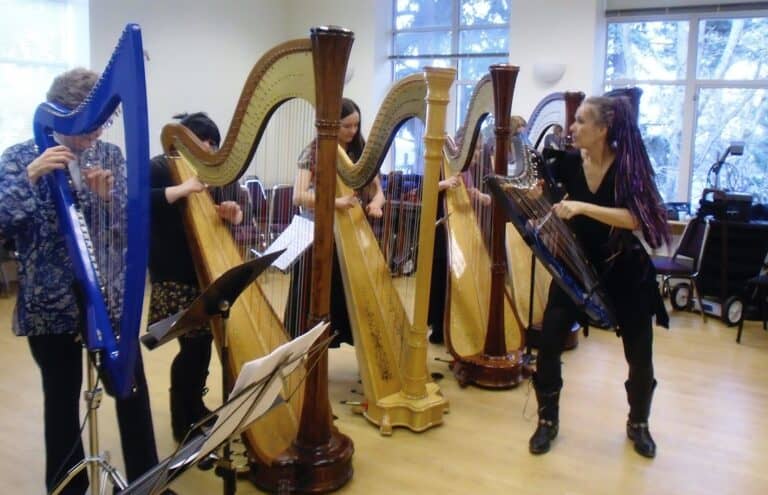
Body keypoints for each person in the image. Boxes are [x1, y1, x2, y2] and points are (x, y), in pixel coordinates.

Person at [0, 68, 171, 494]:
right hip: (50, 302)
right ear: (60, 117)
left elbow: (124, 230)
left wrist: (108, 200)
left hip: (109, 298)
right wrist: (32, 177)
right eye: (87, 126)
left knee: (130, 389)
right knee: (61, 401)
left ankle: (145, 480)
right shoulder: (20, 158)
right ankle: (66, 487)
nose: (94, 135)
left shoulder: (109, 156)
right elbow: (4, 223)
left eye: (99, 125)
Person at [528, 95, 669, 458]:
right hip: (576, 267)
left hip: (624, 269)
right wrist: (539, 212)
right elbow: (549, 202)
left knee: (639, 353)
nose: (571, 128)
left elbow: (636, 219)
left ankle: (638, 424)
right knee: (549, 339)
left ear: (603, 129)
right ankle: (547, 421)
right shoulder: (568, 164)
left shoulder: (628, 167)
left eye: (580, 121)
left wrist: (582, 206)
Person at [148, 112, 243, 443]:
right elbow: (142, 203)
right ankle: (181, 418)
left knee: (202, 345)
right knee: (191, 346)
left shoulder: (207, 174)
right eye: (205, 141)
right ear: (186, 139)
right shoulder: (159, 167)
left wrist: (230, 212)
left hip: (204, 267)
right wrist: (181, 189)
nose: (210, 148)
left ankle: (195, 406)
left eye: (213, 144)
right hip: (172, 272)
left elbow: (221, 210)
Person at [289, 97, 385, 343]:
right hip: (316, 234)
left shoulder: (359, 151)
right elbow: (299, 196)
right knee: (316, 296)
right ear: (332, 125)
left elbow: (378, 190)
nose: (352, 131)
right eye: (346, 126)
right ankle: (308, 347)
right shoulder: (313, 152)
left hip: (350, 231)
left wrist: (376, 203)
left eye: (356, 125)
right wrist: (335, 203)